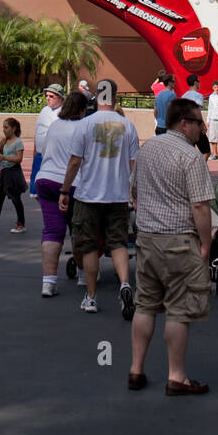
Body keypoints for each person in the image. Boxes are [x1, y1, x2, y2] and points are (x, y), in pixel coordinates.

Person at [128, 97, 215, 395]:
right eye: (198, 124)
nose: (202, 130)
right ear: (183, 123)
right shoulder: (190, 156)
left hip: (147, 238)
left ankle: (136, 369)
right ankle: (176, 376)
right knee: (179, 309)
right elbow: (201, 206)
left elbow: (135, 189)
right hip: (179, 239)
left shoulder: (148, 148)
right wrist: (206, 243)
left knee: (146, 304)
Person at [58, 78, 139, 316]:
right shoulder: (128, 126)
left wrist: (64, 190)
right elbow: (134, 164)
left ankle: (91, 296)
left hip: (88, 196)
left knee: (90, 246)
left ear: (96, 97)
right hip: (117, 196)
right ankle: (125, 283)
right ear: (116, 98)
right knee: (118, 243)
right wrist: (132, 191)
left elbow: (75, 161)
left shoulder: (85, 124)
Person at [35, 90, 88, 296]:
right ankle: (84, 275)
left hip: (46, 179)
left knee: (51, 231)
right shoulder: (83, 128)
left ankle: (48, 282)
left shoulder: (55, 125)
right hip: (72, 185)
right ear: (82, 110)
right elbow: (81, 160)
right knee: (78, 231)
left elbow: (42, 149)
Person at [31, 84, 64, 199]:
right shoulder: (44, 110)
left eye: (51, 96)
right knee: (35, 192)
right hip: (39, 157)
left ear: (60, 97)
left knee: (47, 191)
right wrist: (35, 152)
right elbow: (38, 132)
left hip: (51, 158)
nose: (48, 98)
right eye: (46, 96)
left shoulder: (62, 113)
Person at [183, 76, 210, 159]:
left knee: (190, 152)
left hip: (186, 127)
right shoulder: (198, 96)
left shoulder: (184, 96)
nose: (199, 83)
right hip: (196, 127)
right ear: (195, 82)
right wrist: (202, 125)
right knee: (206, 151)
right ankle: (201, 168)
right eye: (199, 81)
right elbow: (197, 111)